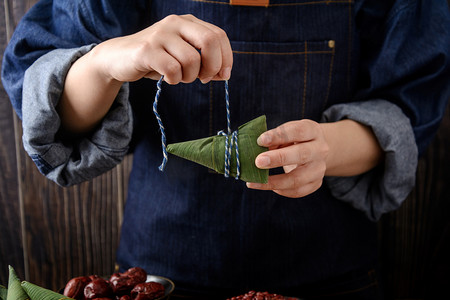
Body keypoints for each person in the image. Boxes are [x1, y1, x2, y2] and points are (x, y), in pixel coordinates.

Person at [2, 0, 449, 299]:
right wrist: (104, 62)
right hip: (158, 280)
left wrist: (328, 149)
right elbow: (52, 116)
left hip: (332, 274)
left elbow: (408, 106)